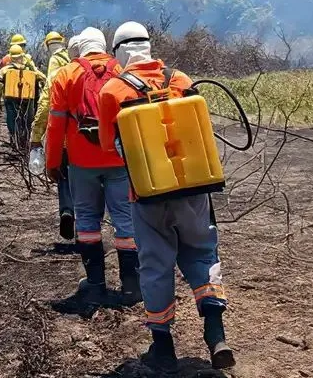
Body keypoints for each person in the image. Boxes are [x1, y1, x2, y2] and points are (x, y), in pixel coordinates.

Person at [97, 21, 234, 371]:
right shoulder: (181, 80)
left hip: (147, 196)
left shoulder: (113, 90)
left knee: (156, 267)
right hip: (193, 191)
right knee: (202, 255)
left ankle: (163, 348)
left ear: (119, 53)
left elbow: (107, 147)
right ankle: (217, 337)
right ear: (148, 45)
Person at [44, 27, 140, 304]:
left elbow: (56, 123)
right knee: (125, 220)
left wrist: (53, 162)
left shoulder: (66, 74)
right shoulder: (123, 69)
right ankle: (131, 287)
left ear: (79, 48)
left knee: (86, 221)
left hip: (81, 161)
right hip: (120, 159)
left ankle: (96, 285)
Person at [29, 31, 76, 240]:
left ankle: (67, 210)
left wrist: (36, 134)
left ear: (48, 46)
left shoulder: (56, 64)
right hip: (93, 136)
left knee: (64, 175)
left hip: (67, 135)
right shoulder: (81, 61)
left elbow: (47, 98)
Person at [0, 44, 46, 150]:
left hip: (11, 100)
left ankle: (15, 143)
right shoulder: (31, 71)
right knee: (28, 121)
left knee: (12, 121)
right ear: (22, 55)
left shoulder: (4, 70)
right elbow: (44, 78)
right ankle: (26, 143)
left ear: (11, 57)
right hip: (28, 100)